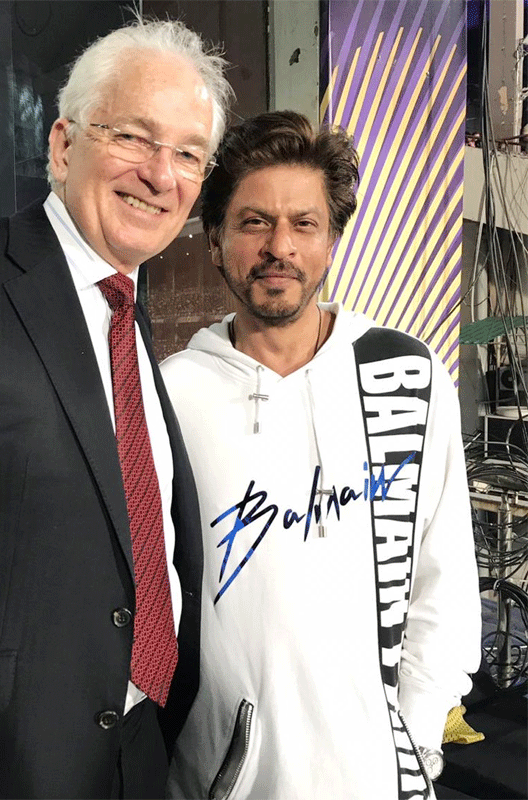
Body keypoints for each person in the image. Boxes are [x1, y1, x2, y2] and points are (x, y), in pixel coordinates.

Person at [0, 17, 233, 800]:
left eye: (189, 154)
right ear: (64, 145)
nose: (162, 174)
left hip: (136, 751)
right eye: (134, 136)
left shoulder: (131, 323)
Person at [161, 110, 481, 800]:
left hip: (384, 779)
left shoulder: (408, 376)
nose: (280, 246)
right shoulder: (171, 399)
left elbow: (445, 582)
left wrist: (416, 737)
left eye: (304, 223)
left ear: (331, 240)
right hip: (224, 785)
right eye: (253, 222)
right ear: (214, 240)